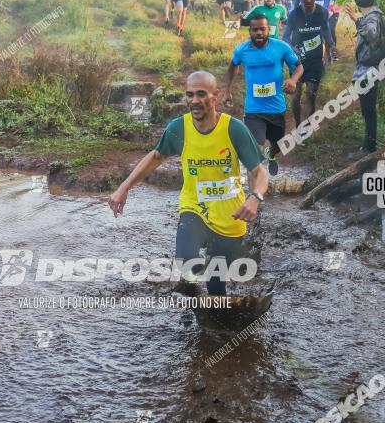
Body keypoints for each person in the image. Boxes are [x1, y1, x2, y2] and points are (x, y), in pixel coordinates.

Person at [108, 72, 269, 297]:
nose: (194, 100)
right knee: (186, 260)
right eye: (189, 95)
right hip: (194, 207)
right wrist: (123, 188)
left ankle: (212, 320)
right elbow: (155, 157)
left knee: (216, 287)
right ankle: (191, 288)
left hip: (230, 216)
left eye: (201, 94)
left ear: (215, 96)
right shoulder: (179, 128)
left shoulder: (234, 129)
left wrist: (256, 197)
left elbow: (259, 172)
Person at [224, 14, 303, 176]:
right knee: (255, 148)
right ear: (250, 31)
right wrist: (227, 91)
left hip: (276, 108)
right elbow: (233, 66)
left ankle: (272, 154)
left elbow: (299, 67)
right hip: (253, 109)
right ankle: (256, 188)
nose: (259, 32)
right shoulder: (242, 50)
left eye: (262, 29)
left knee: (277, 145)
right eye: (255, 29)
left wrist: (293, 80)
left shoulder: (281, 47)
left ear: (269, 30)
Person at [345, 0, 385, 151]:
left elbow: (372, 36)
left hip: (369, 69)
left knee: (368, 111)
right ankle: (368, 145)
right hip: (370, 68)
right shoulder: (376, 15)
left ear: (358, 4)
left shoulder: (372, 17)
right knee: (369, 111)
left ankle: (369, 148)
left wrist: (357, 20)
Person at [283, 0, 334, 130]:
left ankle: (307, 128)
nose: (309, 0)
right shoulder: (294, 14)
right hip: (297, 61)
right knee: (296, 96)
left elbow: (326, 30)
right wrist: (292, 48)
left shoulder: (323, 12)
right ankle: (298, 124)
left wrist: (331, 45)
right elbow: (286, 36)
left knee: (311, 94)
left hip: (315, 60)